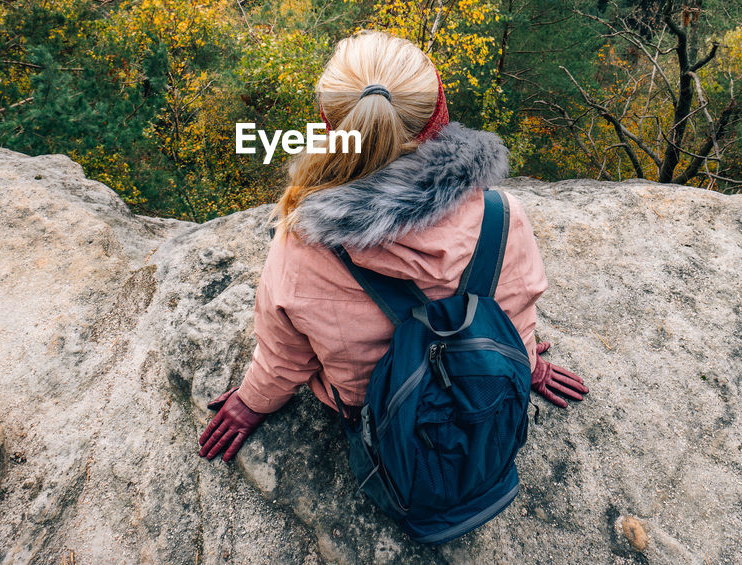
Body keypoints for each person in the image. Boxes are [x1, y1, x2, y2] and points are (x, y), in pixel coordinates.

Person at [199, 30, 588, 463]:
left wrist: (252, 401)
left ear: (333, 124)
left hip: (379, 415)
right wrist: (523, 360)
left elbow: (286, 354)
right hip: (481, 395)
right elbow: (514, 308)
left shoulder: (302, 248)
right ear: (438, 113)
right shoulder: (501, 215)